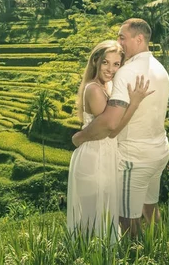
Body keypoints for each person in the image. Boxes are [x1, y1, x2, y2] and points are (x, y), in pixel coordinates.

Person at [72, 18, 169, 239]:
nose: (119, 41)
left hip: (133, 158)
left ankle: (135, 256)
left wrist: (79, 137)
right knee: (150, 207)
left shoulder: (127, 72)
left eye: (122, 37)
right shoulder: (160, 69)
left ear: (139, 38)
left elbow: (110, 124)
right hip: (159, 152)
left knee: (126, 217)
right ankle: (161, 248)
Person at [67, 40, 153, 242]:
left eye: (116, 64)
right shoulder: (94, 90)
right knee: (91, 218)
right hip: (93, 157)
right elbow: (111, 129)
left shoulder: (109, 85)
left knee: (104, 214)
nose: (111, 69)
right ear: (96, 61)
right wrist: (135, 103)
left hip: (105, 155)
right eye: (106, 63)